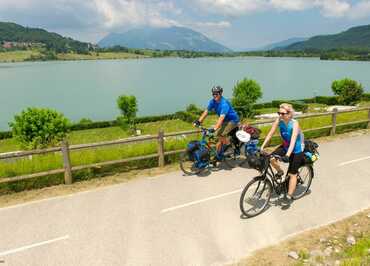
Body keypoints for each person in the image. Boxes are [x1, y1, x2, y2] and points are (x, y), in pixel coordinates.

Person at [260, 103, 305, 205]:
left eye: (283, 113)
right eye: (278, 113)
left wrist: (288, 155)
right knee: (271, 158)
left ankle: (289, 195)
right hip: (285, 146)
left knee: (292, 174)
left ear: (289, 114)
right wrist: (262, 147)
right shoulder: (279, 121)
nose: (280, 115)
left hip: (296, 149)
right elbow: (270, 133)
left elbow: (293, 140)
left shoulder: (294, 123)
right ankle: (280, 172)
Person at [194, 86, 240, 160]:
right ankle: (218, 156)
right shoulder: (212, 102)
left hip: (232, 120)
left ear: (221, 93)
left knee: (220, 134)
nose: (215, 95)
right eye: (213, 94)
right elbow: (206, 111)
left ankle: (229, 148)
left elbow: (221, 118)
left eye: (216, 94)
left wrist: (215, 128)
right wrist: (199, 121)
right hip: (225, 120)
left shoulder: (224, 103)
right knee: (218, 139)